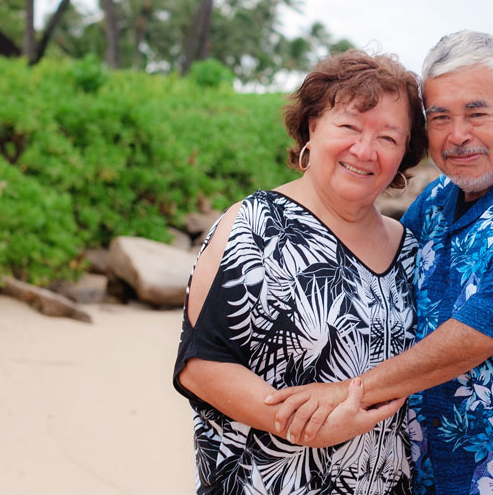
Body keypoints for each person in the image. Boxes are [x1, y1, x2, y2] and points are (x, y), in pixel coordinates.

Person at [267, 31, 493, 494]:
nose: (457, 135)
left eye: (476, 113)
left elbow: (477, 335)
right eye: (440, 118)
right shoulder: (434, 202)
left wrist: (349, 392)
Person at [172, 49, 428, 494]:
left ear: (405, 153)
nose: (364, 150)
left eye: (388, 137)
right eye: (349, 127)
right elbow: (200, 365)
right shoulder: (256, 225)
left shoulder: (410, 248)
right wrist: (301, 427)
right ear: (312, 126)